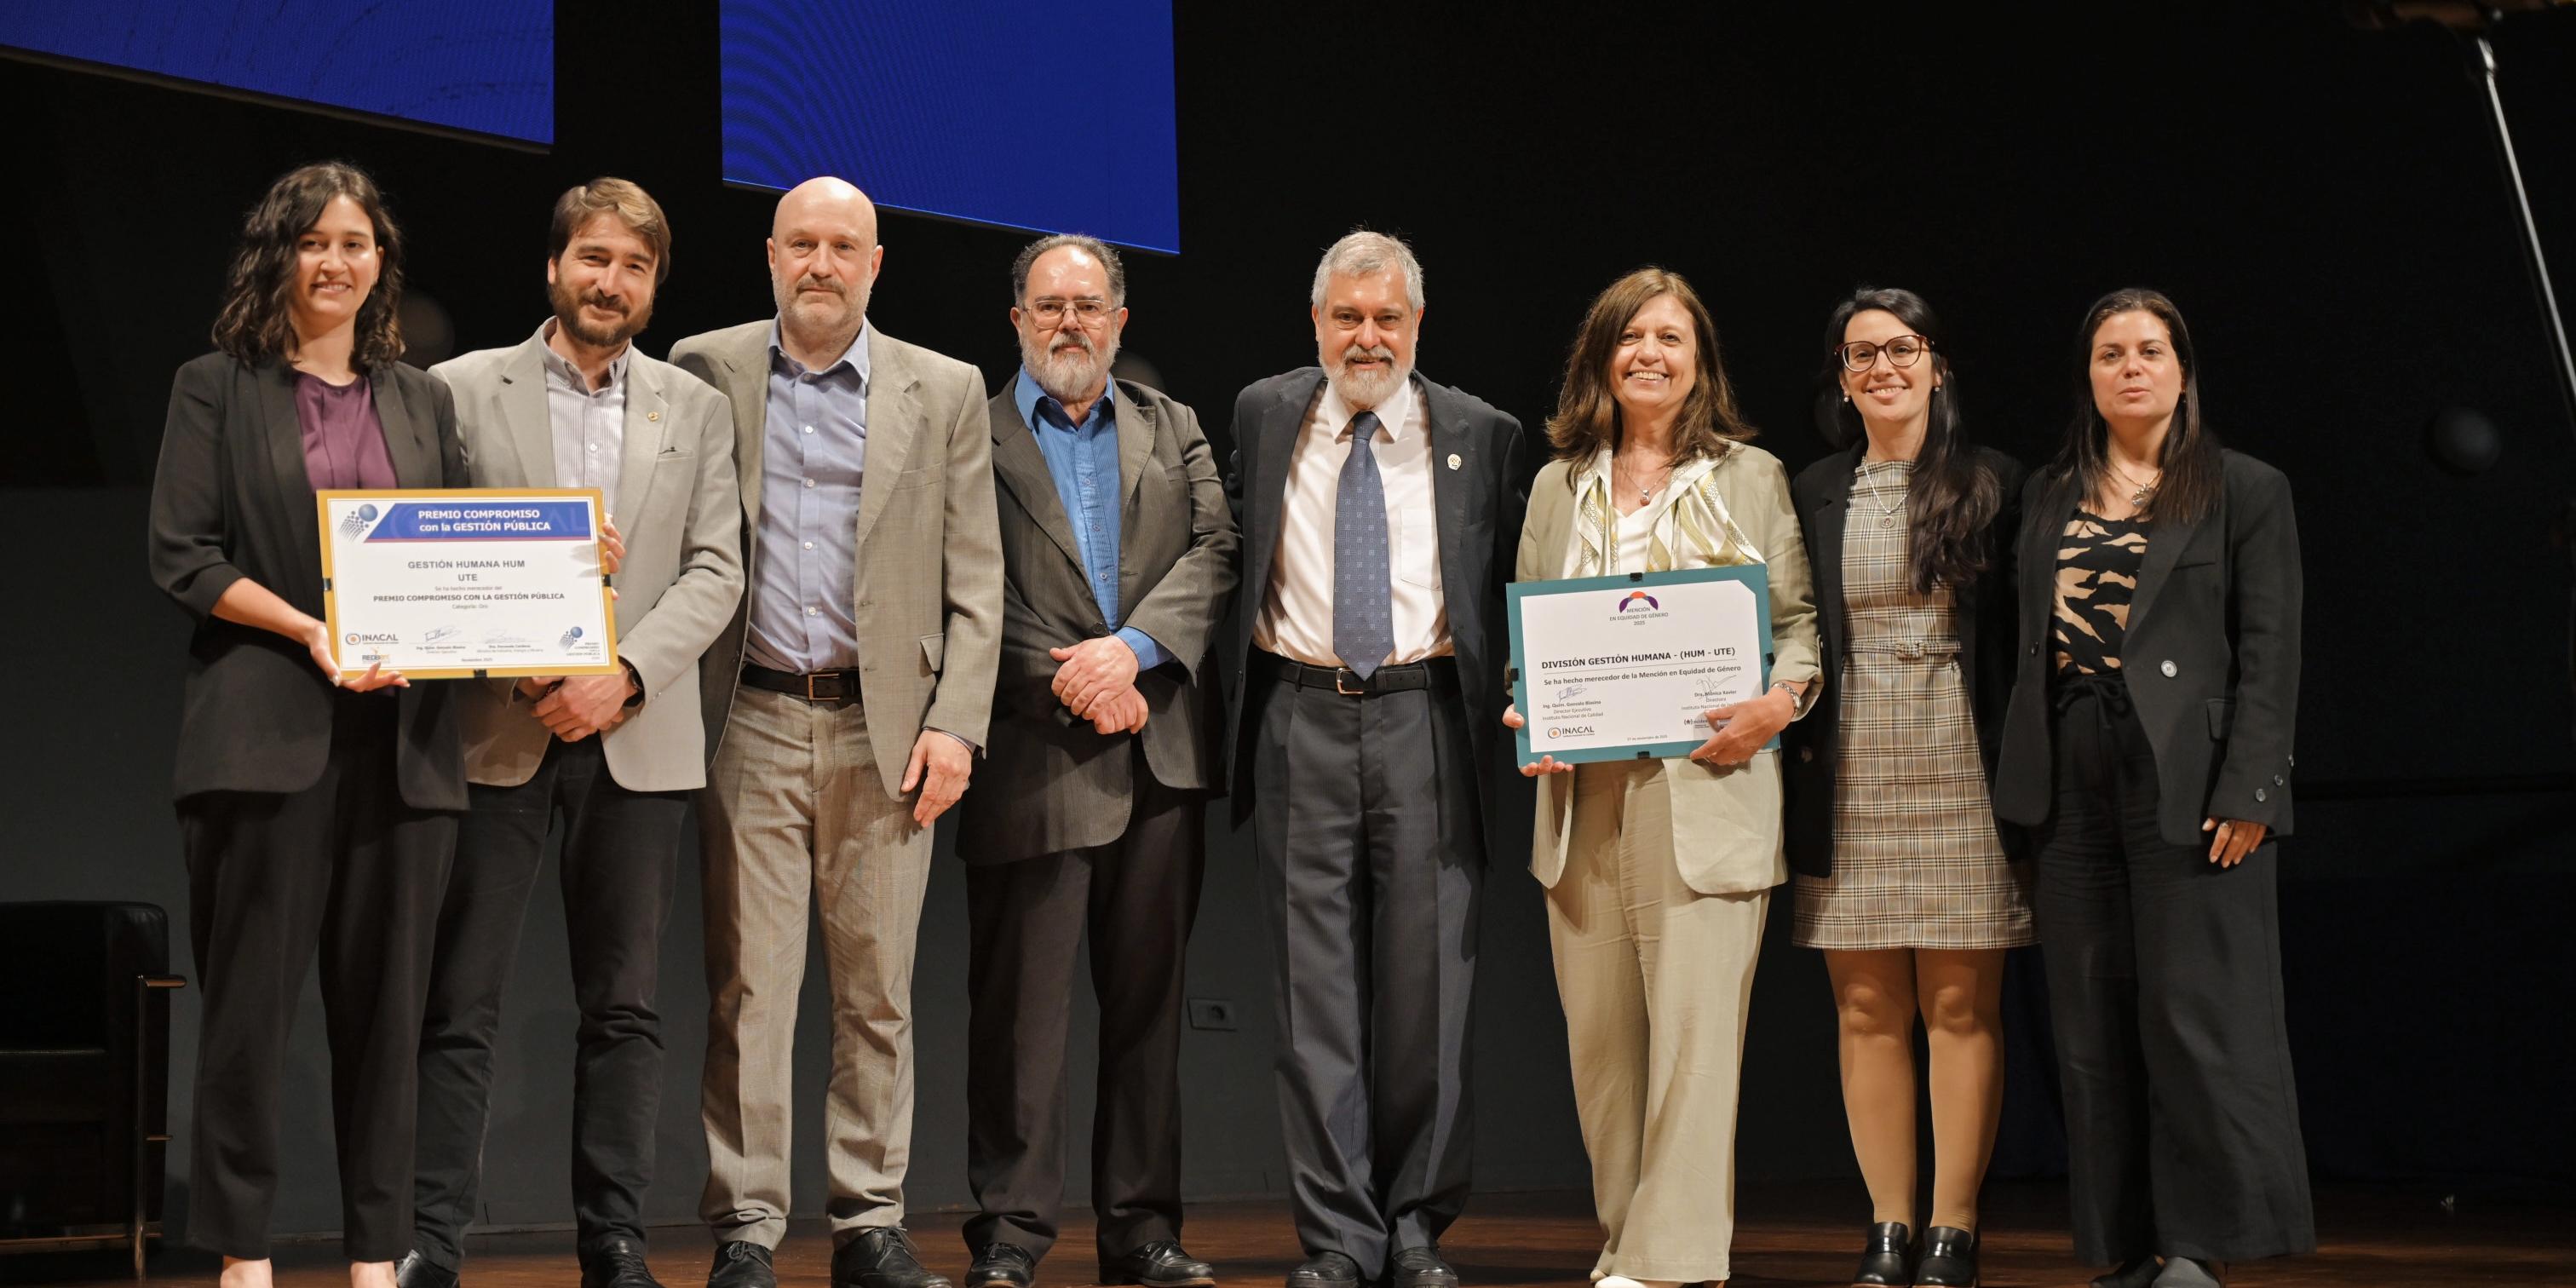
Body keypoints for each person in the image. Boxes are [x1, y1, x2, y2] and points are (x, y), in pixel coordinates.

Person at [399, 179, 744, 1288]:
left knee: (628, 1010)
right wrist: (529, 653)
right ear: (555, 268)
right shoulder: (457, 392)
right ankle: (432, 1247)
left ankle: (617, 1246)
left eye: (635, 266)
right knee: (461, 1002)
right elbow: (426, 555)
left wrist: (624, 676)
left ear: (654, 285)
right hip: (496, 728)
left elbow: (717, 569)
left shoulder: (692, 406)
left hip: (633, 738)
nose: (612, 282)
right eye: (593, 259)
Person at [670, 176, 1001, 1288]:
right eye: (801, 243)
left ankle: (869, 1222)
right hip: (750, 720)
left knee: (876, 992)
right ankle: (748, 1229)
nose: (820, 263)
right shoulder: (706, 368)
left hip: (885, 731)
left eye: (841, 246)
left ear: (876, 261)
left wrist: (958, 724)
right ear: (770, 255)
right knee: (750, 992)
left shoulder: (943, 387)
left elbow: (976, 580)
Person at [146, 160, 469, 1288]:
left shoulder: (422, 399)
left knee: (388, 1024)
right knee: (248, 1018)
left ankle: (377, 1257)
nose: (337, 261)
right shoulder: (215, 387)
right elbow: (182, 554)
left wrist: (574, 569)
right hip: (264, 739)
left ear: (383, 261)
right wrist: (308, 629)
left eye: (357, 242)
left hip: (409, 753)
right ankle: (244, 1255)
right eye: (314, 241)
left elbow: (468, 555)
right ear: (277, 254)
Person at [1502, 267, 1820, 1288]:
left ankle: (1672, 1262)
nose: (1650, 353)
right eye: (1630, 336)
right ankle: (1626, 1247)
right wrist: (1528, 709)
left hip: (1707, 787)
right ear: (1601, 356)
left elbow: (1799, 630)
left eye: (1671, 338)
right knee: (1603, 1051)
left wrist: (1780, 705)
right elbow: (1528, 640)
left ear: (1701, 363)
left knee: (1693, 1044)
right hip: (1581, 796)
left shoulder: (1753, 477)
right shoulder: (1558, 483)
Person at [1224, 230, 1527, 1288]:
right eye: (1347, 317)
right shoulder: (1265, 416)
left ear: (1415, 327)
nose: (1366, 337)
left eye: (1385, 319)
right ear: (1316, 324)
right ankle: (1339, 1237)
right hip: (1298, 717)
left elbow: (1516, 588)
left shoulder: (1481, 432)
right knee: (1314, 1001)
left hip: (1426, 721)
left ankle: (1415, 1226)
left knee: (1428, 992)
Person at [1992, 288, 2311, 1288]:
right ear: (2089, 377)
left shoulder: (2245, 489)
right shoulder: (2047, 493)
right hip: (2069, 772)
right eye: (2110, 353)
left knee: (2191, 1015)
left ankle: (2195, 1245)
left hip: (2190, 779)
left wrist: (2252, 788)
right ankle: (2122, 1247)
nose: (2131, 367)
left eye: (2150, 350)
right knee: (2089, 1023)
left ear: (2181, 369)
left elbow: (2271, 648)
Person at [954, 233, 1239, 1288]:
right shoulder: (966, 434)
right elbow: (962, 584)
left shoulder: (1177, 428)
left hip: (1158, 758)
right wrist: (1070, 673)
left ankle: (1143, 1232)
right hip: (1032, 755)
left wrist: (1133, 652)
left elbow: (1217, 551)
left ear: (1120, 322)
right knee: (1018, 1025)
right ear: (1018, 322)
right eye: (1047, 305)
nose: (1069, 321)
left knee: (1150, 1018)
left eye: (1089, 305)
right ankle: (1012, 1238)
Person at [1782, 288, 2030, 1288]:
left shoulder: (1995, 483)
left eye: (1900, 350)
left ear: (1937, 364)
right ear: (1842, 381)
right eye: (1859, 356)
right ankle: (1889, 1226)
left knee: (1963, 1007)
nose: (1882, 369)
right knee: (1867, 1009)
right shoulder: (1814, 490)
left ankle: (1954, 1226)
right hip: (1850, 767)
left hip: (1962, 764)